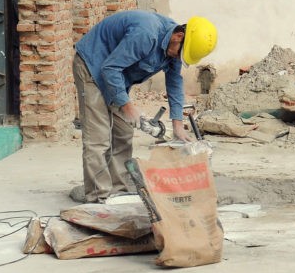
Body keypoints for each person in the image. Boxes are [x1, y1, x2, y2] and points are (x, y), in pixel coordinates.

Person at [70, 10, 218, 203]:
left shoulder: (174, 48)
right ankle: (98, 199)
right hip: (92, 66)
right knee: (99, 138)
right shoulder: (146, 34)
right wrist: (127, 105)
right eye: (180, 54)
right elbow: (109, 68)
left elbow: (174, 83)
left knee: (123, 133)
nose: (178, 59)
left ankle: (118, 191)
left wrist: (177, 124)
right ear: (178, 36)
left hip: (115, 74)